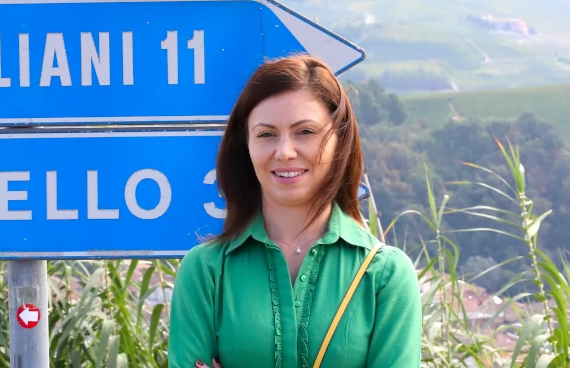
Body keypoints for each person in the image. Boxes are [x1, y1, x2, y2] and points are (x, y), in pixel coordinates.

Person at [168, 55, 422, 368]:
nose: (285, 152)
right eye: (265, 134)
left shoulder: (385, 276)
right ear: (245, 147)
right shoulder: (205, 272)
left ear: (339, 141)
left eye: (305, 132)